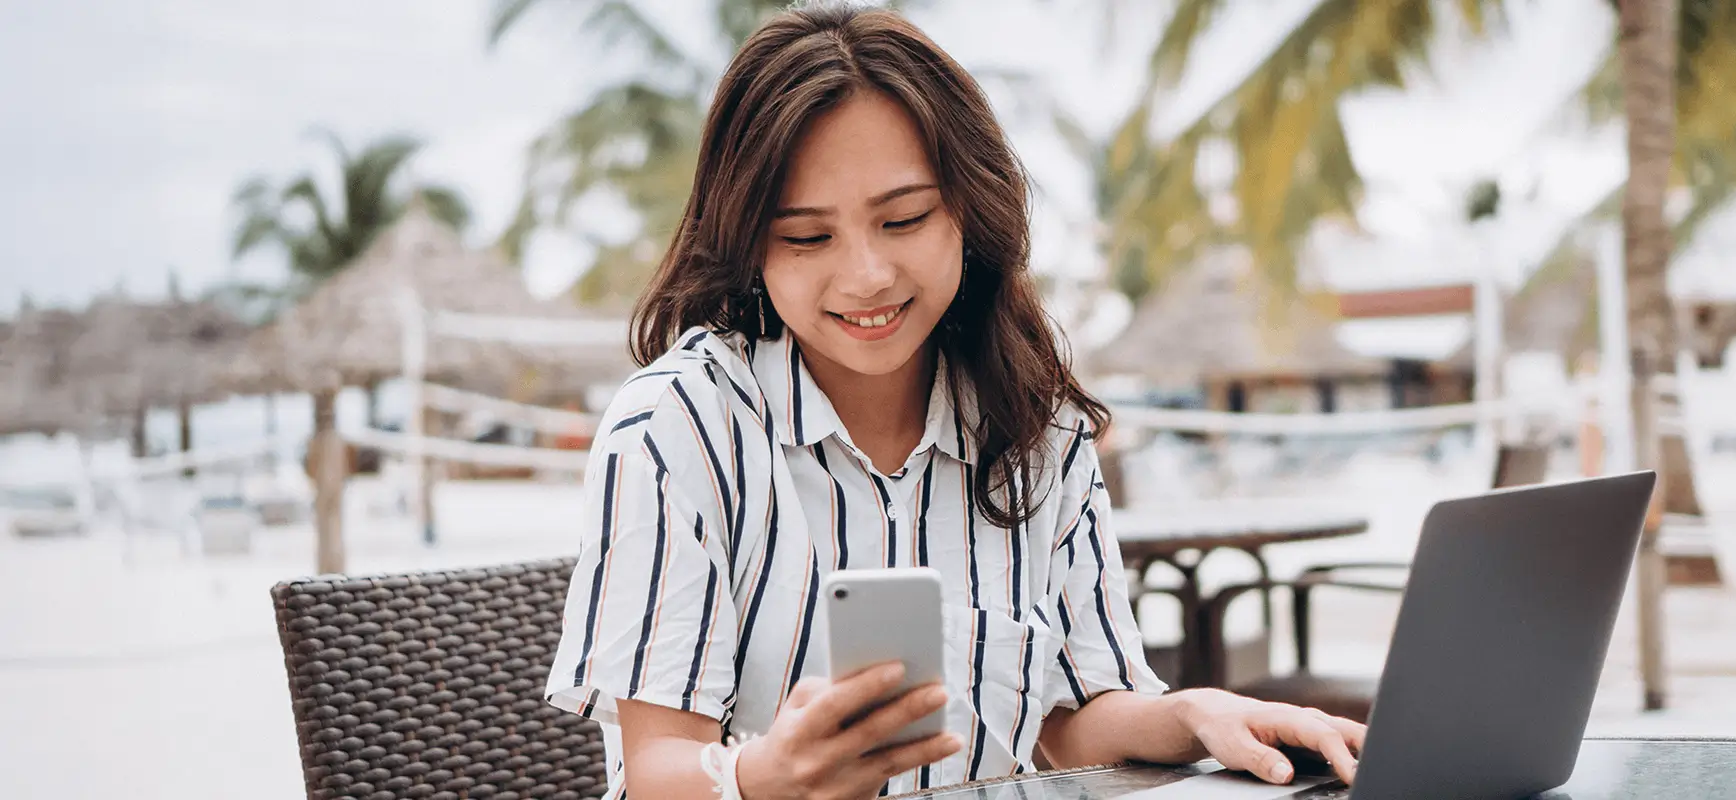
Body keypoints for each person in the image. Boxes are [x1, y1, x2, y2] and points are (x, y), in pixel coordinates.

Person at [544, 5, 1365, 798]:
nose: (865, 275)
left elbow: (1071, 720)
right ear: (748, 245)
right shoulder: (677, 428)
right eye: (807, 237)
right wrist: (765, 779)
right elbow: (657, 773)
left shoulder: (1039, 427)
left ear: (968, 211)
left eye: (902, 219)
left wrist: (1193, 712)